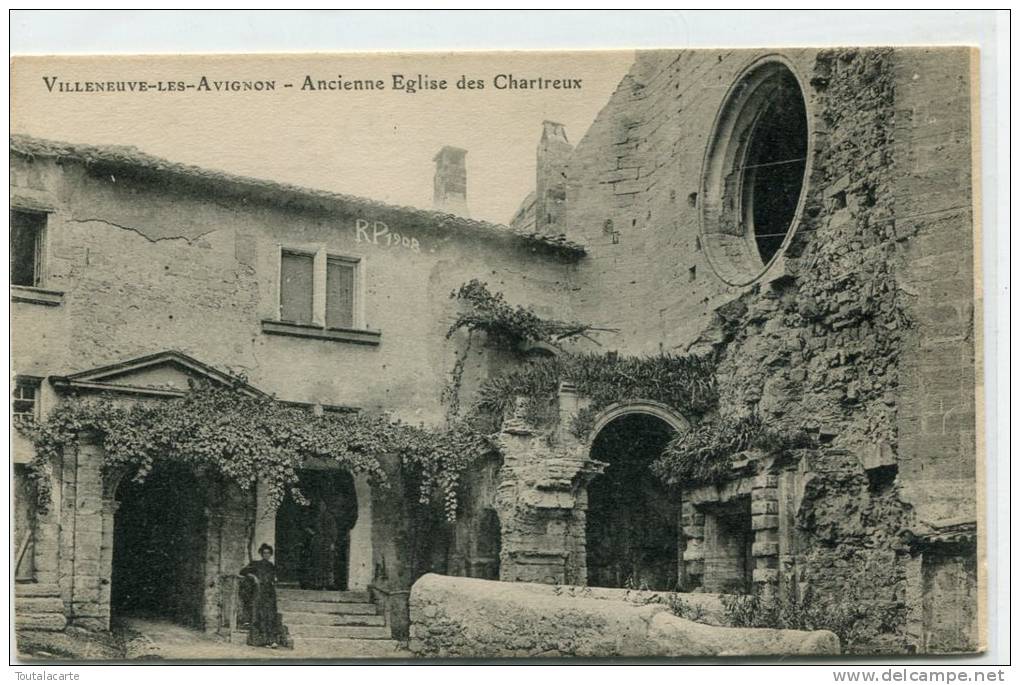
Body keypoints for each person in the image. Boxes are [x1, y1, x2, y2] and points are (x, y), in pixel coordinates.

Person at [239, 543, 286, 648]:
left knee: (271, 615)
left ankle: (271, 641)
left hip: (270, 592)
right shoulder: (256, 564)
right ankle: (260, 641)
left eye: (268, 553)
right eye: (264, 553)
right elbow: (243, 571)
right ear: (261, 554)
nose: (266, 555)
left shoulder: (271, 566)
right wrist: (253, 577)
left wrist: (275, 580)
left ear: (271, 554)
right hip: (260, 592)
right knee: (260, 615)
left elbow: (274, 578)